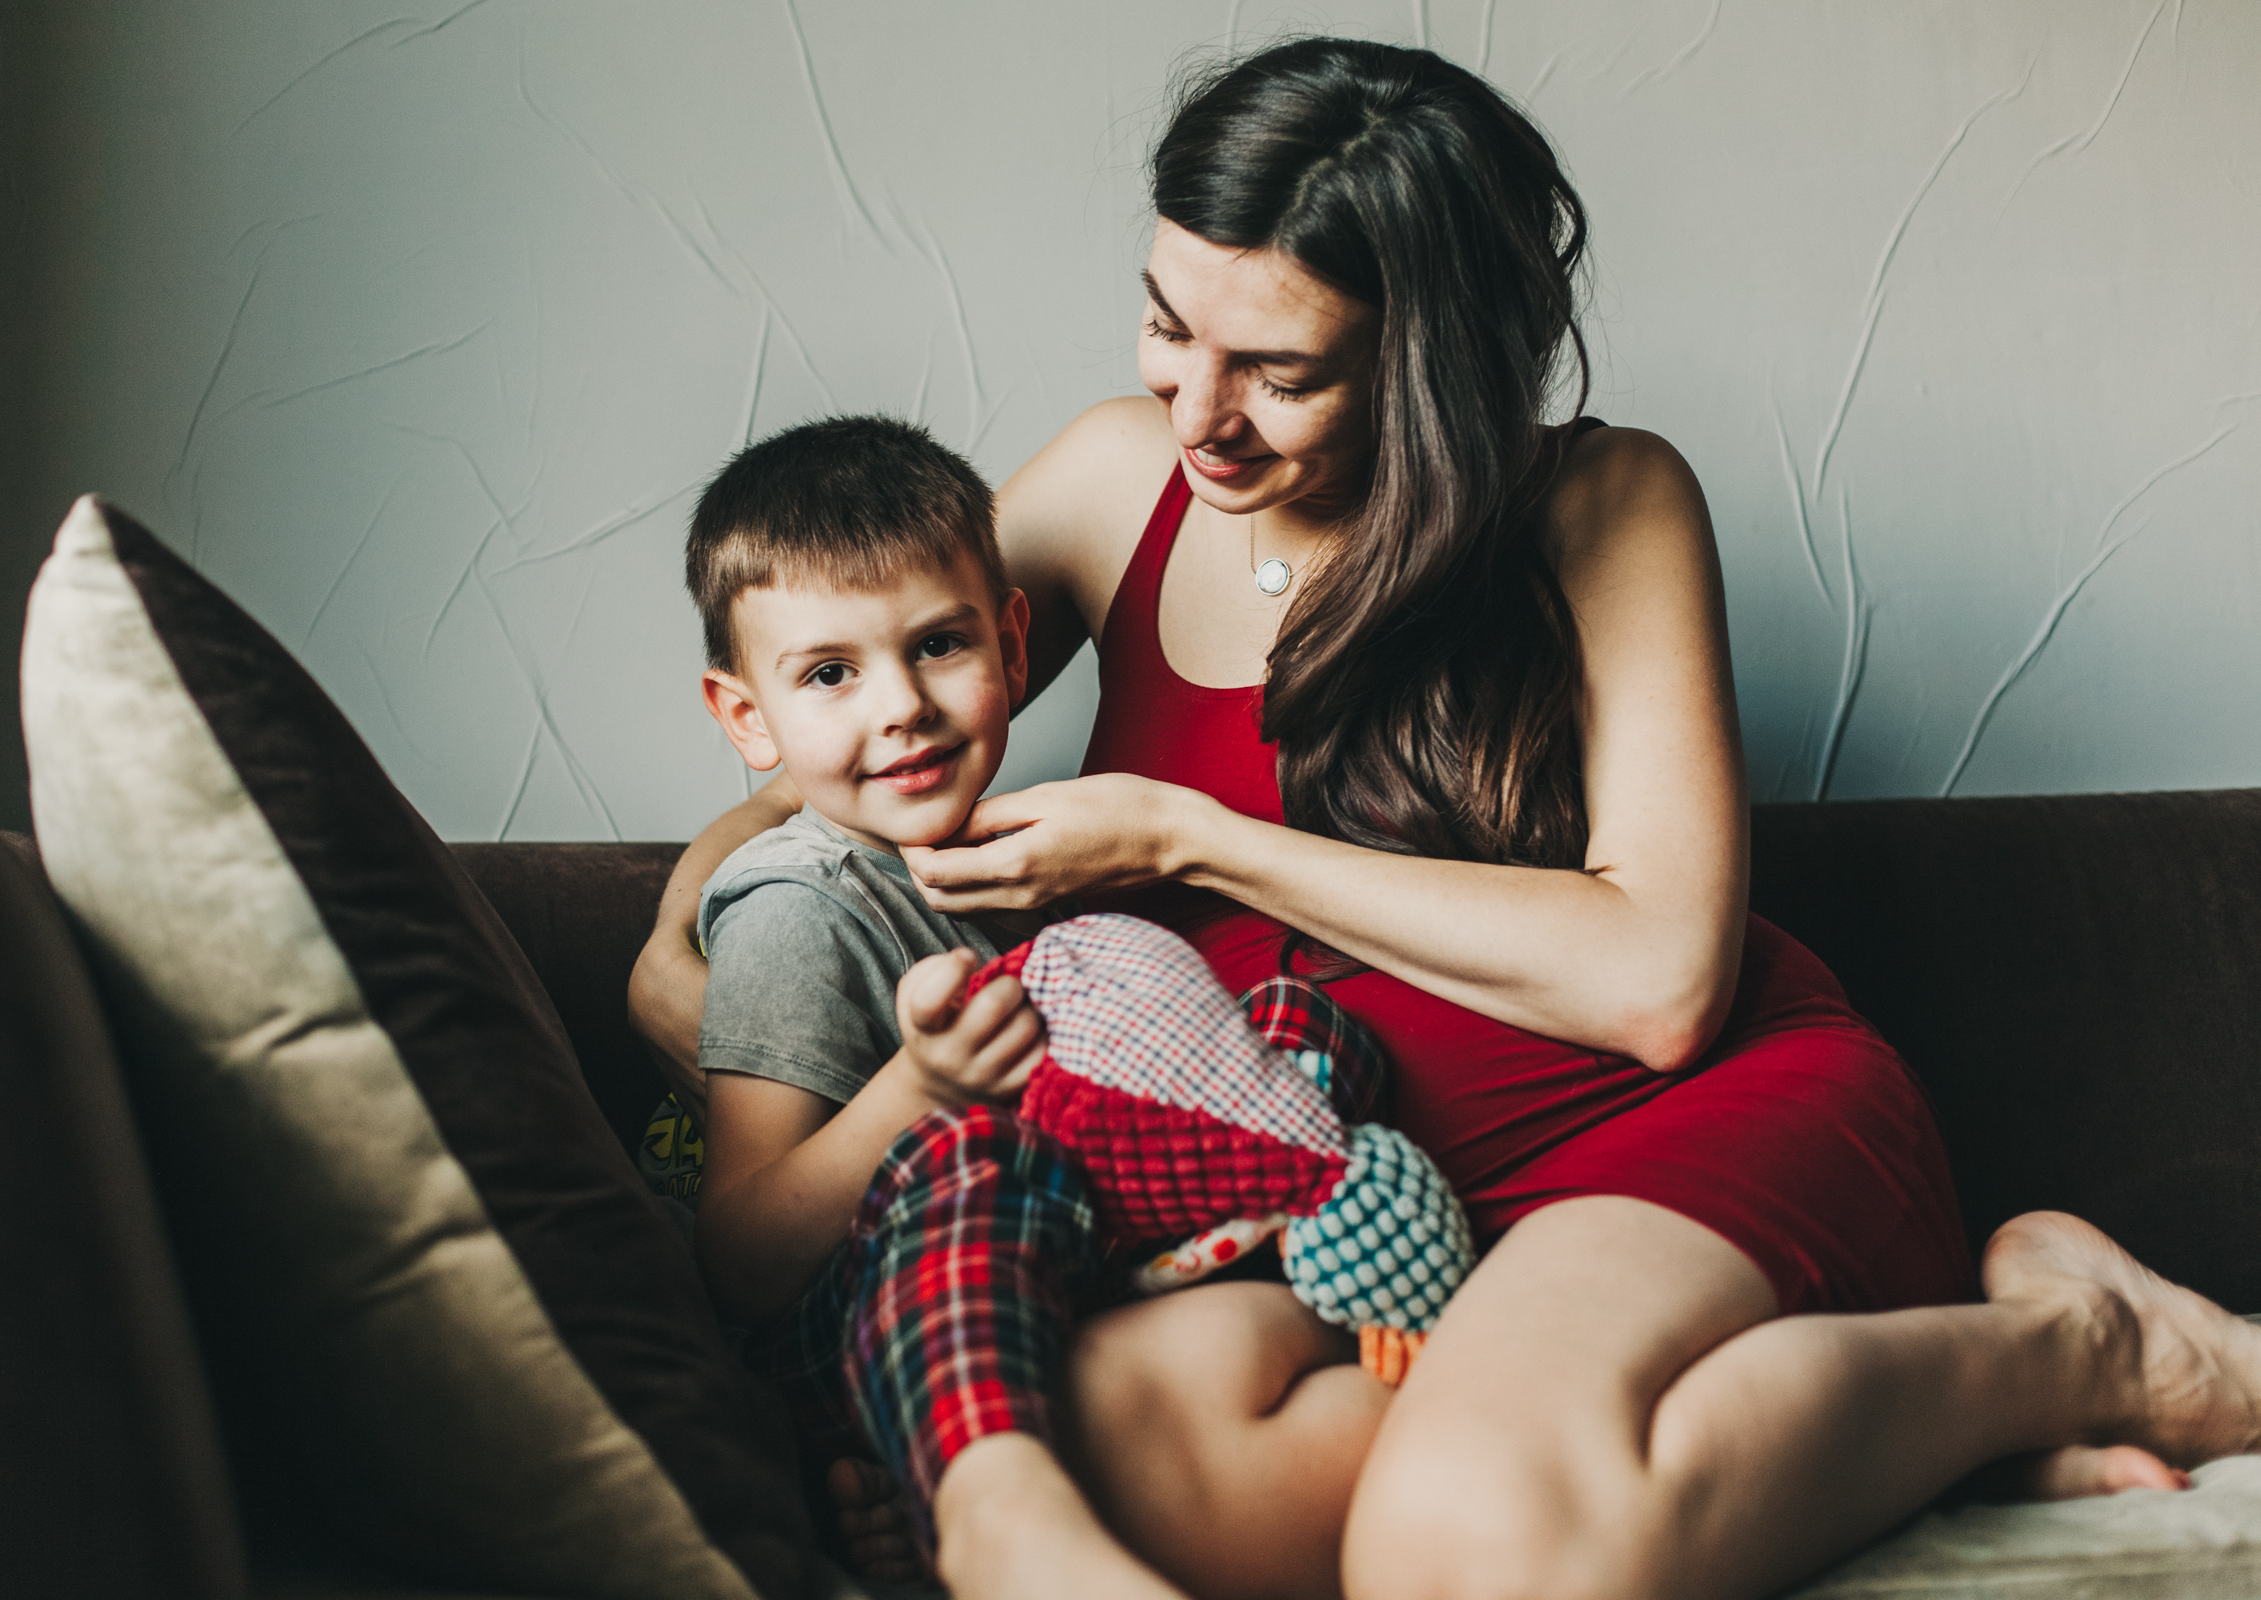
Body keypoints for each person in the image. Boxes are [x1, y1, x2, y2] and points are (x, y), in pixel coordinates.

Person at [636, 37, 2261, 1600]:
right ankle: (1847, 1448)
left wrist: (1191, 839)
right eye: (1167, 326)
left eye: (1280, 373)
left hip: (1651, 1128)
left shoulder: (1602, 504)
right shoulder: (1111, 483)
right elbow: (831, 733)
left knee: (1476, 1558)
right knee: (1117, 1440)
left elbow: (1660, 986)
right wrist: (679, 940)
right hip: (1343, 1196)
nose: (1199, 413)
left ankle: (2072, 1347)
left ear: (1431, 364)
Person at [679, 413, 1410, 1592]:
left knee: (1291, 1021)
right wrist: (921, 1088)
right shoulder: (797, 909)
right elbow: (741, 1257)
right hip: (858, 1338)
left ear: (1014, 647)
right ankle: (968, 1509)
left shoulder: (1034, 866)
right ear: (747, 718)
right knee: (980, 1155)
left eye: (938, 645)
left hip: (1040, 1283)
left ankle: (1351, 1254)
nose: (901, 706)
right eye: (829, 674)